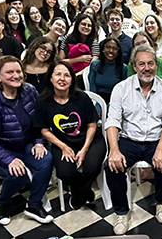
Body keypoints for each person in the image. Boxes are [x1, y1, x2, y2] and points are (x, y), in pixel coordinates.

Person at [105, 45, 162, 234]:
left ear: (157, 64)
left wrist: (161, 148)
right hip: (130, 139)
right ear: (134, 66)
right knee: (111, 165)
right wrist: (114, 149)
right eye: (142, 64)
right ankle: (121, 211)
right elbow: (112, 121)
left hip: (156, 138)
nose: (147, 68)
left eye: (151, 63)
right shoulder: (121, 88)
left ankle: (161, 202)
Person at [0, 56, 54, 225]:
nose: (16, 75)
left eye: (18, 71)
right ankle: (2, 203)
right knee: (18, 174)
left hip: (23, 144)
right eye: (10, 72)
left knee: (46, 160)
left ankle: (33, 204)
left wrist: (39, 141)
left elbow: (40, 119)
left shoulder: (29, 90)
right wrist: (9, 159)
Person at [34, 61, 106, 210]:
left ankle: (79, 195)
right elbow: (44, 129)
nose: (62, 79)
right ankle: (83, 191)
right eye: (58, 74)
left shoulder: (82, 97)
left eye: (67, 75)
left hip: (90, 140)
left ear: (72, 79)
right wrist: (63, 146)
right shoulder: (43, 101)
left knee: (91, 167)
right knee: (65, 173)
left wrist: (84, 149)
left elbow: (92, 125)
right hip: (62, 142)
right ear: (51, 78)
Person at [88, 38, 128, 103]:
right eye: (108, 47)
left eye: (114, 48)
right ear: (103, 49)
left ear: (118, 52)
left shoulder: (124, 68)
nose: (111, 50)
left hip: (115, 100)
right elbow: (92, 88)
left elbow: (123, 91)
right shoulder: (94, 65)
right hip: (96, 99)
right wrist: (97, 104)